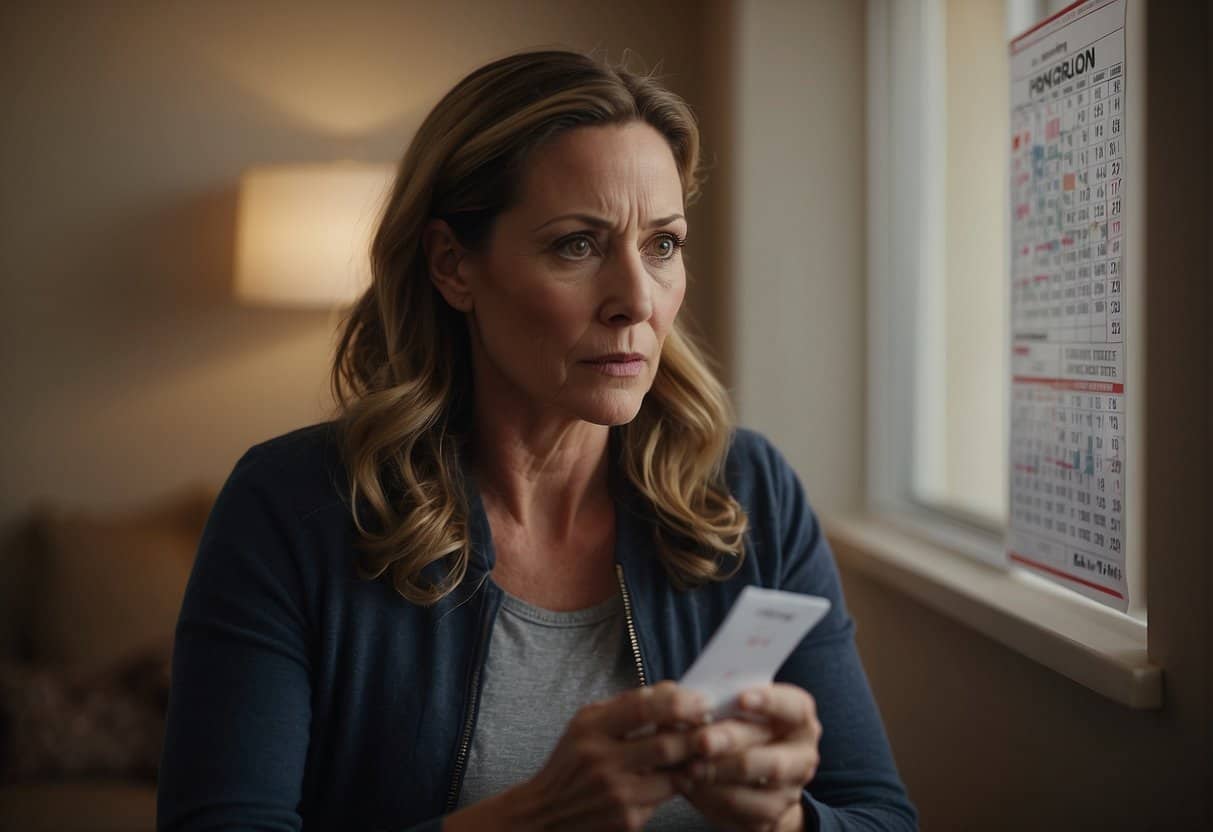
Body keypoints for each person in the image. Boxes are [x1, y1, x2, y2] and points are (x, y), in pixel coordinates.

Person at [157, 50, 917, 832]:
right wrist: (537, 817)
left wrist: (785, 821)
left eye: (661, 244)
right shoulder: (293, 506)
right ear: (453, 265)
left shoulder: (747, 490)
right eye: (576, 246)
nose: (635, 301)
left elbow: (882, 817)